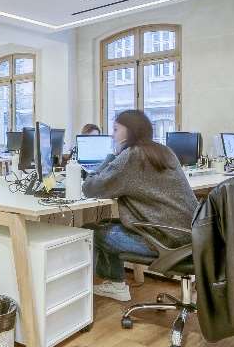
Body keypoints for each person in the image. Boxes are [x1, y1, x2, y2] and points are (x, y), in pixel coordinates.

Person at [82, 110, 197, 301]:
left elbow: (90, 188)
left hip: (165, 241)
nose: (113, 134)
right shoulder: (163, 151)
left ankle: (115, 285)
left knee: (91, 230)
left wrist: (111, 157)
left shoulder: (131, 156)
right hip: (190, 238)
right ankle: (115, 282)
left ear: (130, 132)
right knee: (106, 222)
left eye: (116, 129)